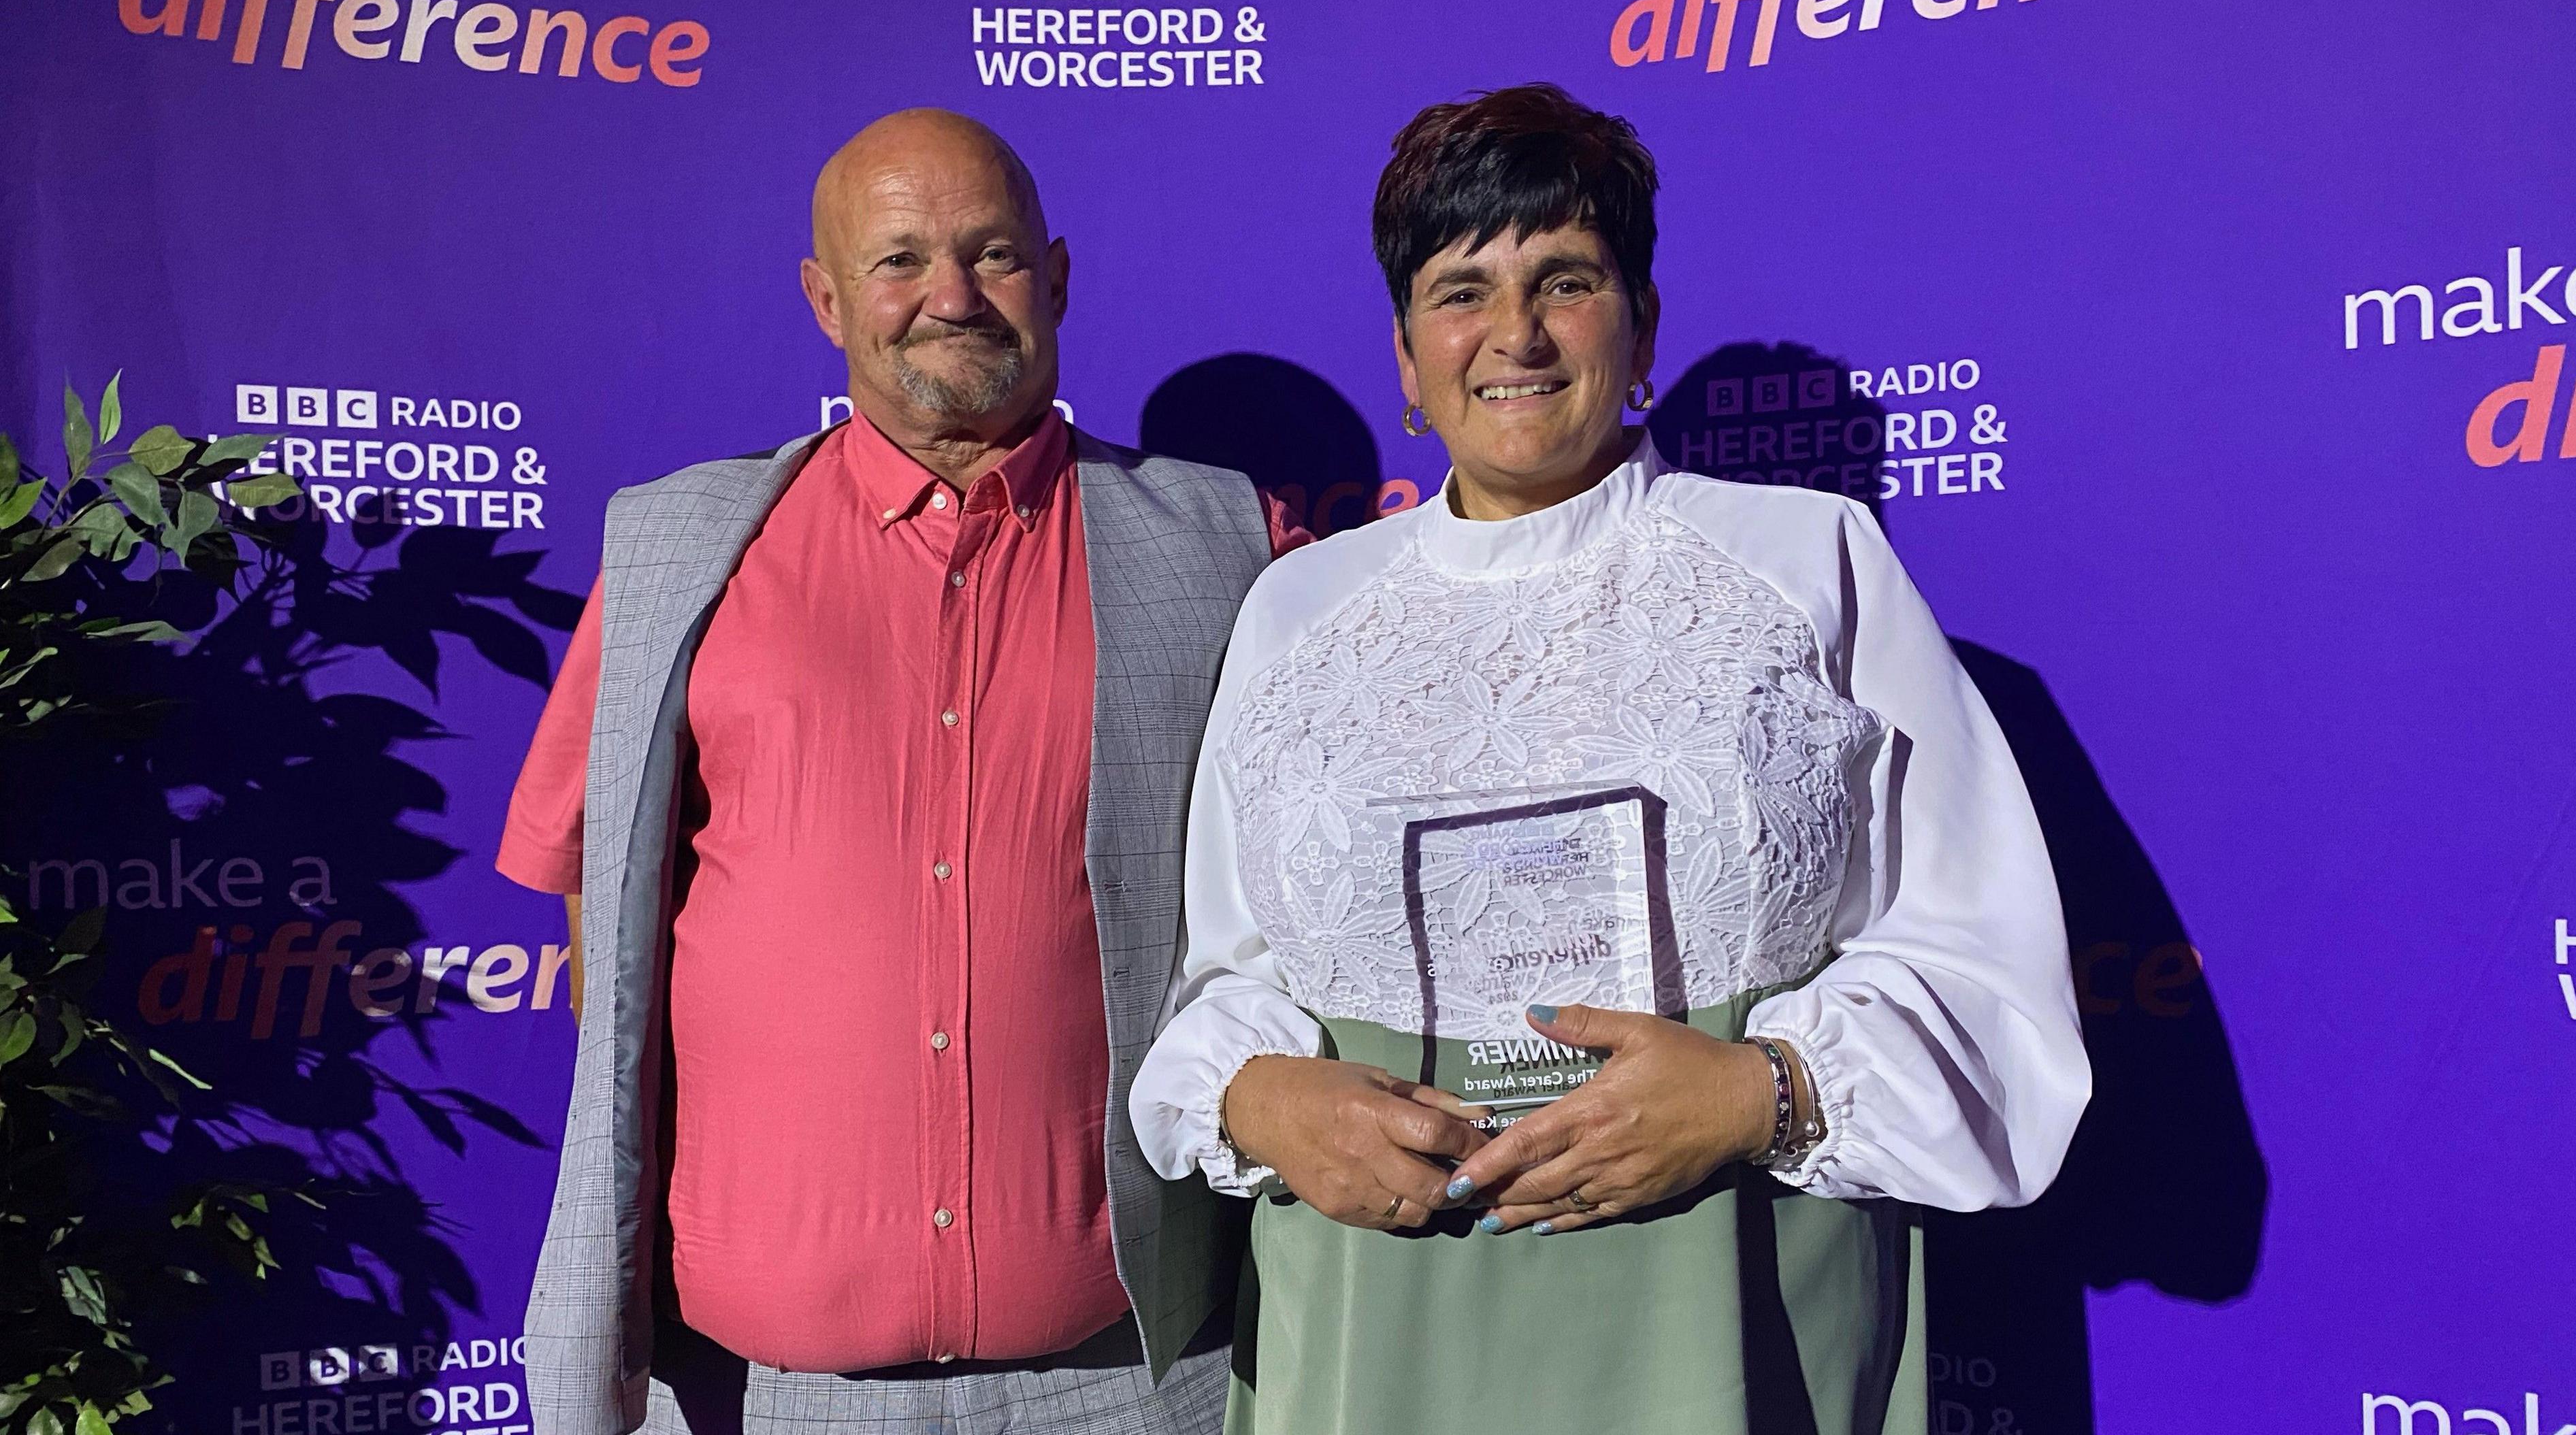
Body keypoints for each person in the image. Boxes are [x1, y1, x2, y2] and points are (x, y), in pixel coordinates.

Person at [1129, 84, 2091, 1435]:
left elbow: (1980, 957)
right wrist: (1257, 1094)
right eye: (1462, 290)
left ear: (1639, 324)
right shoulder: (1297, 612)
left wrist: (1764, 1094)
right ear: (1406, 359)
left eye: (1564, 280)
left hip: (1729, 1286)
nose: (1513, 333)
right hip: (1375, 1312)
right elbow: (1227, 971)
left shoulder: (1809, 564)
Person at [498, 108, 1306, 1435]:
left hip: (1147, 1378)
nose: (951, 298)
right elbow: (602, 900)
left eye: (991, 256)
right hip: (767, 1399)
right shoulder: (673, 556)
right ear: (826, 302)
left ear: (1056, 278)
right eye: (900, 261)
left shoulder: (1232, 543)